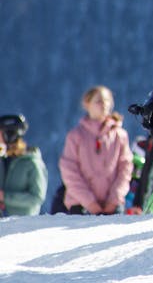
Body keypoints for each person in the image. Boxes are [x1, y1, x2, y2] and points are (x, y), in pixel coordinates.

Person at [60, 86, 134, 215]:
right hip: (80, 205)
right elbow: (69, 171)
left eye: (107, 100)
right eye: (98, 101)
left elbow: (126, 168)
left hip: (113, 206)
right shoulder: (76, 136)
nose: (103, 104)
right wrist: (89, 202)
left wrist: (114, 198)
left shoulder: (120, 135)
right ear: (87, 104)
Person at [1, 114, 48, 215]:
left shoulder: (32, 163)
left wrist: (5, 197)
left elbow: (37, 197)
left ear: (9, 135)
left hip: (23, 227)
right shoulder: (2, 161)